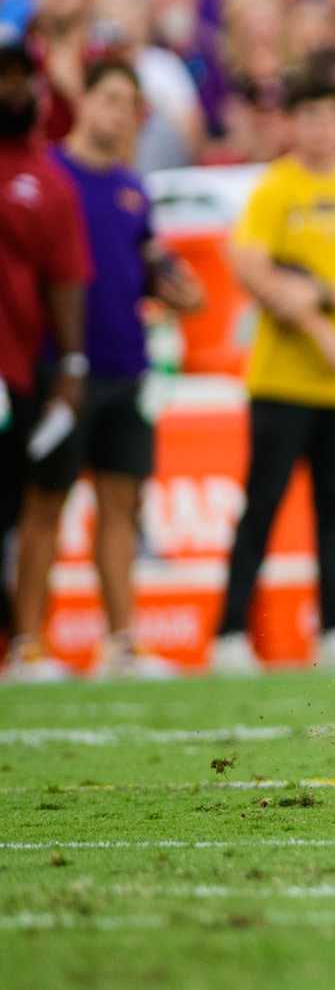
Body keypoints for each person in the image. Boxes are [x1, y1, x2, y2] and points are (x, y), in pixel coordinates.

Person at [212, 70, 335, 672]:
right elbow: (249, 266)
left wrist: (310, 293)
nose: (320, 130)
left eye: (329, 116)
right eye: (308, 117)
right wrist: (319, 322)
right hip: (281, 379)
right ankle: (228, 634)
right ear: (291, 124)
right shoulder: (275, 187)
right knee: (263, 504)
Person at [13, 60, 200, 679]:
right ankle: (26, 644)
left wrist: (174, 285)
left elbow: (146, 260)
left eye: (129, 104)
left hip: (127, 364)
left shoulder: (130, 187)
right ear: (83, 102)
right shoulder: (45, 173)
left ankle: (122, 642)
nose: (118, 113)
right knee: (45, 505)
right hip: (61, 368)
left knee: (122, 503)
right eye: (109, 98)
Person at [0, 37, 90, 670]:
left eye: (19, 78)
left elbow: (65, 280)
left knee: (17, 510)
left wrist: (73, 368)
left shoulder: (46, 178)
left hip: (12, 370)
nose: (11, 89)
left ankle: (19, 638)